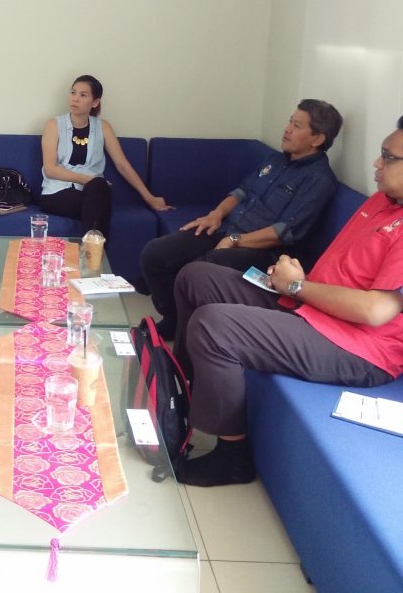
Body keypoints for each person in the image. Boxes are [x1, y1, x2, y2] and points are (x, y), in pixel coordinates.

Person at [171, 117, 403, 487]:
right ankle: (183, 386)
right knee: (196, 276)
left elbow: (375, 311)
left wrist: (296, 286)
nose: (377, 164)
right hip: (313, 306)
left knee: (213, 325)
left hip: (358, 346)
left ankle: (232, 458)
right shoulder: (382, 201)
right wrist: (294, 278)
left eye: (388, 158)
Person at [139, 99, 343, 340]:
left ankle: (190, 332)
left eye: (296, 126)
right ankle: (174, 319)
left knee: (196, 269)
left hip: (264, 252)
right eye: (290, 122)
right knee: (156, 253)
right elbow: (242, 192)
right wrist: (215, 214)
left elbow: (284, 232)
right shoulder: (277, 160)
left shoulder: (319, 180)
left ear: (317, 138)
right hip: (228, 229)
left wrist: (236, 240)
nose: (287, 129)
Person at [40, 75, 171, 237]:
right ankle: (95, 249)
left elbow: (122, 164)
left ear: (95, 102)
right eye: (73, 92)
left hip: (93, 193)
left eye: (83, 95)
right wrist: (90, 180)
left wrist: (149, 198)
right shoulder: (54, 125)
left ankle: (90, 246)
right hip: (57, 193)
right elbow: (50, 169)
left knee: (98, 193)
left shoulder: (103, 127)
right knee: (98, 197)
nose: (75, 98)